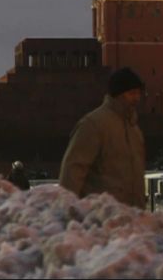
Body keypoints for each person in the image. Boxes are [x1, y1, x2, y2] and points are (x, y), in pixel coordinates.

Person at [59, 67, 146, 208]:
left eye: (138, 93)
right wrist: (68, 212)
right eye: (132, 93)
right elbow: (73, 171)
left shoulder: (134, 129)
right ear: (118, 95)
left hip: (132, 218)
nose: (137, 98)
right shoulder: (93, 125)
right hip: (100, 217)